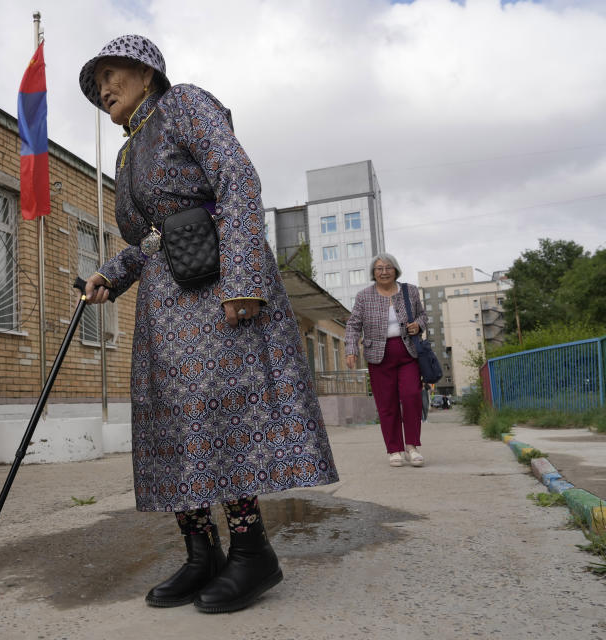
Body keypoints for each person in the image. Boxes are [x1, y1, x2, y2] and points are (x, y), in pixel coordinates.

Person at [78, 35, 338, 614]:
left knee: (217, 416)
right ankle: (201, 554)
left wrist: (242, 276)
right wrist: (112, 275)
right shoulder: (126, 153)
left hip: (215, 289)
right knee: (171, 422)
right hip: (164, 305)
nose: (104, 86)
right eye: (97, 83)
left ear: (148, 73)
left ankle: (252, 552)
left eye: (113, 72)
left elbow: (237, 181)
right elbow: (149, 239)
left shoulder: (185, 104)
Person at [344, 253, 428, 468]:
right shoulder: (364, 296)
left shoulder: (410, 291)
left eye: (388, 267)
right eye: (379, 268)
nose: (383, 272)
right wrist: (351, 349)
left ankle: (412, 447)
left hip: (407, 352)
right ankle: (394, 450)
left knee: (411, 396)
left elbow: (423, 316)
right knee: (387, 404)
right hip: (378, 356)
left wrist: (418, 325)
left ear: (395, 270)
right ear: (373, 273)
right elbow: (353, 325)